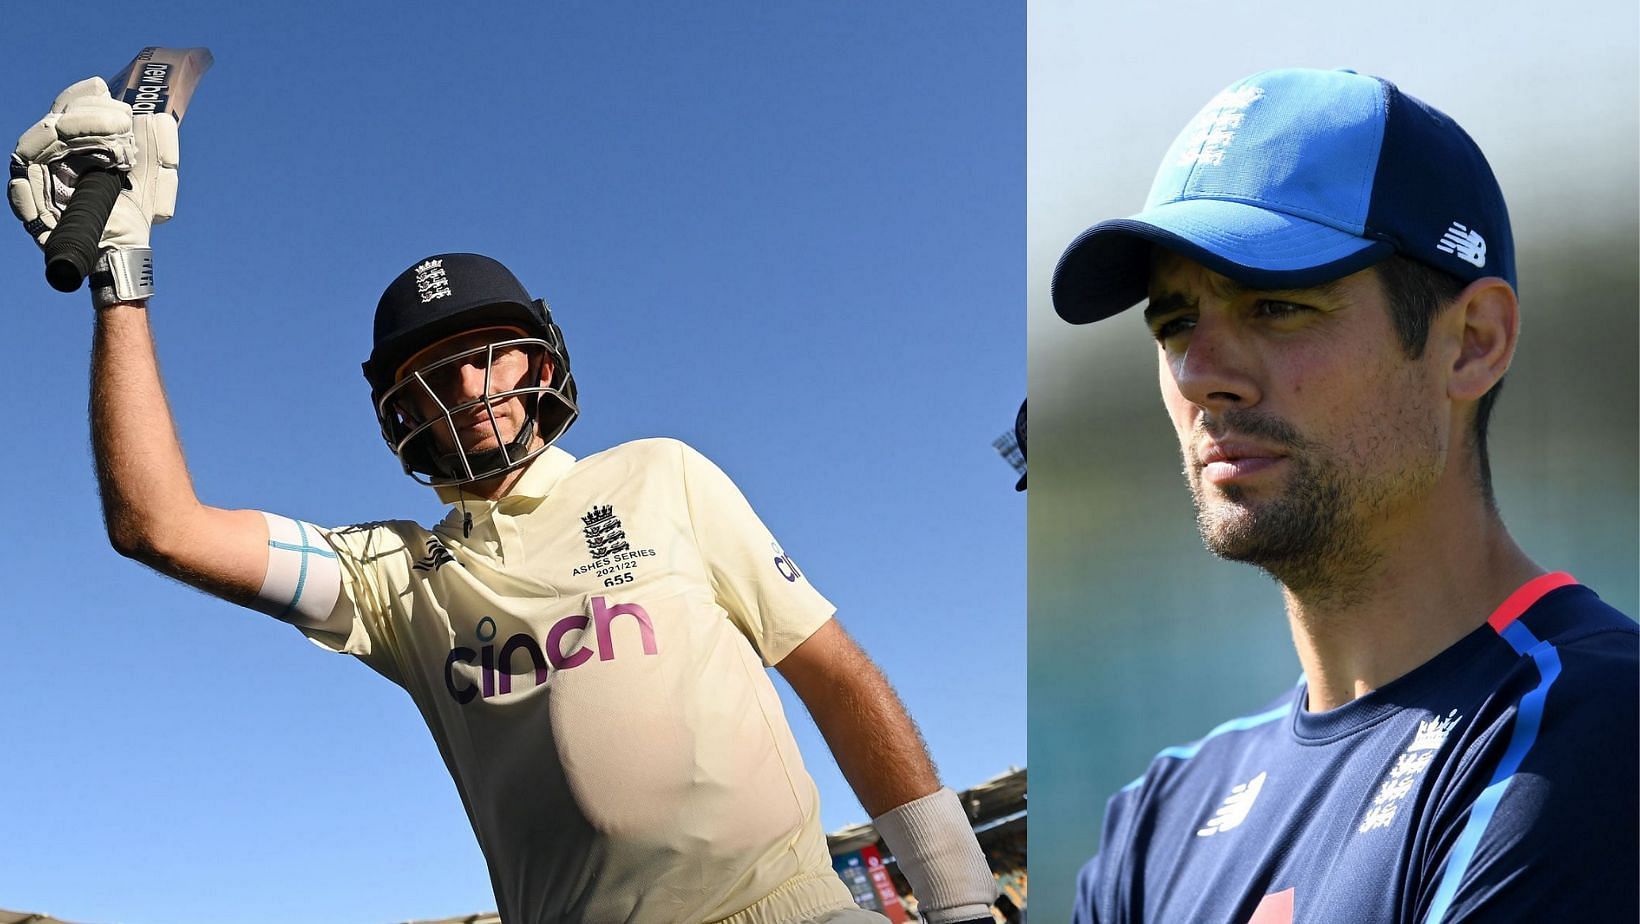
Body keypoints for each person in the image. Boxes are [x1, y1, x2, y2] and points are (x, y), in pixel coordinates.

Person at [9, 78, 999, 924]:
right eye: (433, 376)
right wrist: (119, 283)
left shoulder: (663, 475)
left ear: (537, 359)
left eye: (487, 357)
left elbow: (829, 670)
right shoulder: (393, 577)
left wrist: (953, 896)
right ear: (404, 412)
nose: (468, 391)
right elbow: (158, 525)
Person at [1050, 68, 1637, 923]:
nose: (1202, 374)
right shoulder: (1155, 821)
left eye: (1277, 306)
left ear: (1472, 343)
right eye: (1176, 323)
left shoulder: (1593, 731)